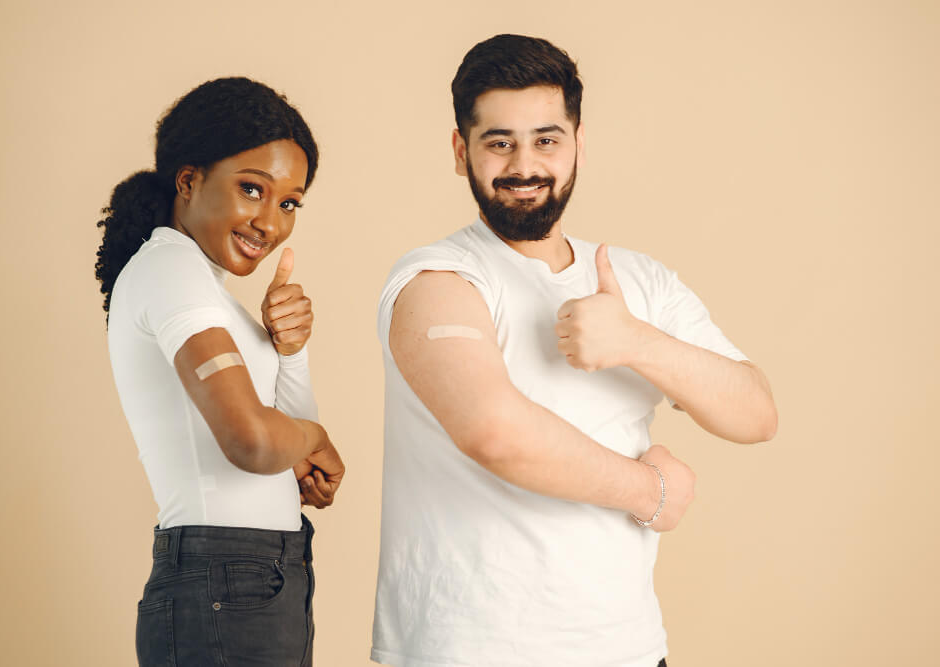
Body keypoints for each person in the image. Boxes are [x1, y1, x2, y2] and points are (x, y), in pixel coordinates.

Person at [371, 35, 777, 667]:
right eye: (499, 141)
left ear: (578, 144)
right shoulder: (437, 281)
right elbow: (494, 433)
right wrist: (652, 493)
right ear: (461, 151)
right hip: (469, 650)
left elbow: (755, 414)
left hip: (629, 648)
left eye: (547, 139)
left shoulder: (638, 279)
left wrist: (637, 341)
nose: (524, 164)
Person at [95, 77, 344, 666]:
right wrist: (315, 439)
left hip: (256, 577)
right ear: (189, 181)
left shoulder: (205, 291)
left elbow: (286, 457)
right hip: (224, 582)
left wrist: (289, 348)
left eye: (288, 203)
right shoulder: (173, 274)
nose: (270, 222)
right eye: (252, 189)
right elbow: (255, 441)